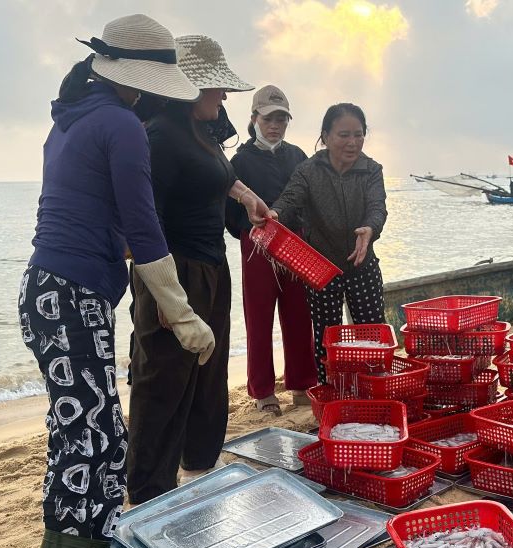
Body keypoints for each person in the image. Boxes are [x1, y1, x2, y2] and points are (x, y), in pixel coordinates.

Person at [18, 14, 217, 548]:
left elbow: (90, 213)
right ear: (141, 79)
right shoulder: (122, 125)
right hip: (73, 298)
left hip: (45, 292)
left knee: (87, 440)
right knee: (92, 445)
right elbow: (144, 227)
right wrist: (182, 312)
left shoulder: (72, 119)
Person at [126, 35, 262, 504]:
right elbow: (146, 221)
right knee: (164, 382)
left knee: (207, 374)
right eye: (216, 86)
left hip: (210, 267)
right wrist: (166, 299)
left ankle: (200, 464)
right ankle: (149, 492)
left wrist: (246, 197)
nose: (223, 96)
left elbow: (217, 176)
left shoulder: (202, 129)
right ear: (187, 87)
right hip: (174, 270)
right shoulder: (161, 135)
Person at [270, 103, 388, 382]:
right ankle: (331, 389)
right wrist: (274, 214)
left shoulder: (371, 170)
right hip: (321, 269)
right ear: (325, 136)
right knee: (327, 339)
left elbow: (377, 207)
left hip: (362, 263)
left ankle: (373, 388)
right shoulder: (308, 171)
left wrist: (370, 229)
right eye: (344, 135)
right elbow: (289, 200)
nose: (353, 142)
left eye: (358, 134)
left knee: (373, 336)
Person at [228, 85, 318, 415]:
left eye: (281, 119)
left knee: (299, 315)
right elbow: (229, 212)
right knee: (259, 317)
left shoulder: (298, 156)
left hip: (295, 244)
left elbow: (309, 201)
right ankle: (263, 390)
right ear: (254, 119)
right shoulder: (239, 161)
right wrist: (252, 231)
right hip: (256, 246)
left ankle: (302, 383)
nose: (275, 125)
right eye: (268, 119)